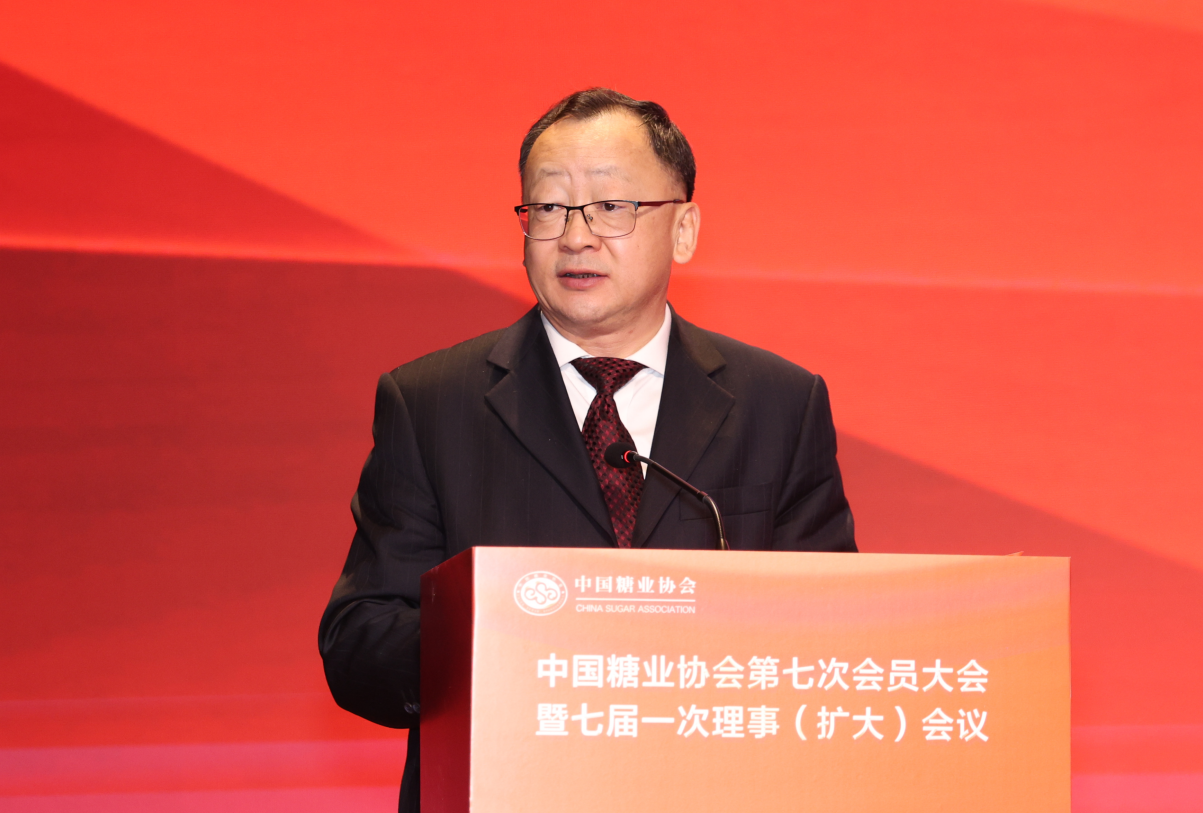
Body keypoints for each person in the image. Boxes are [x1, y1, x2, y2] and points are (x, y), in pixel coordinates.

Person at [318, 87, 856, 812]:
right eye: (548, 207)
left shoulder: (780, 403)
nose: (575, 236)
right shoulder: (430, 402)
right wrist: (509, 642)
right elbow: (358, 643)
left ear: (684, 229)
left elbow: (833, 637)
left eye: (611, 206)